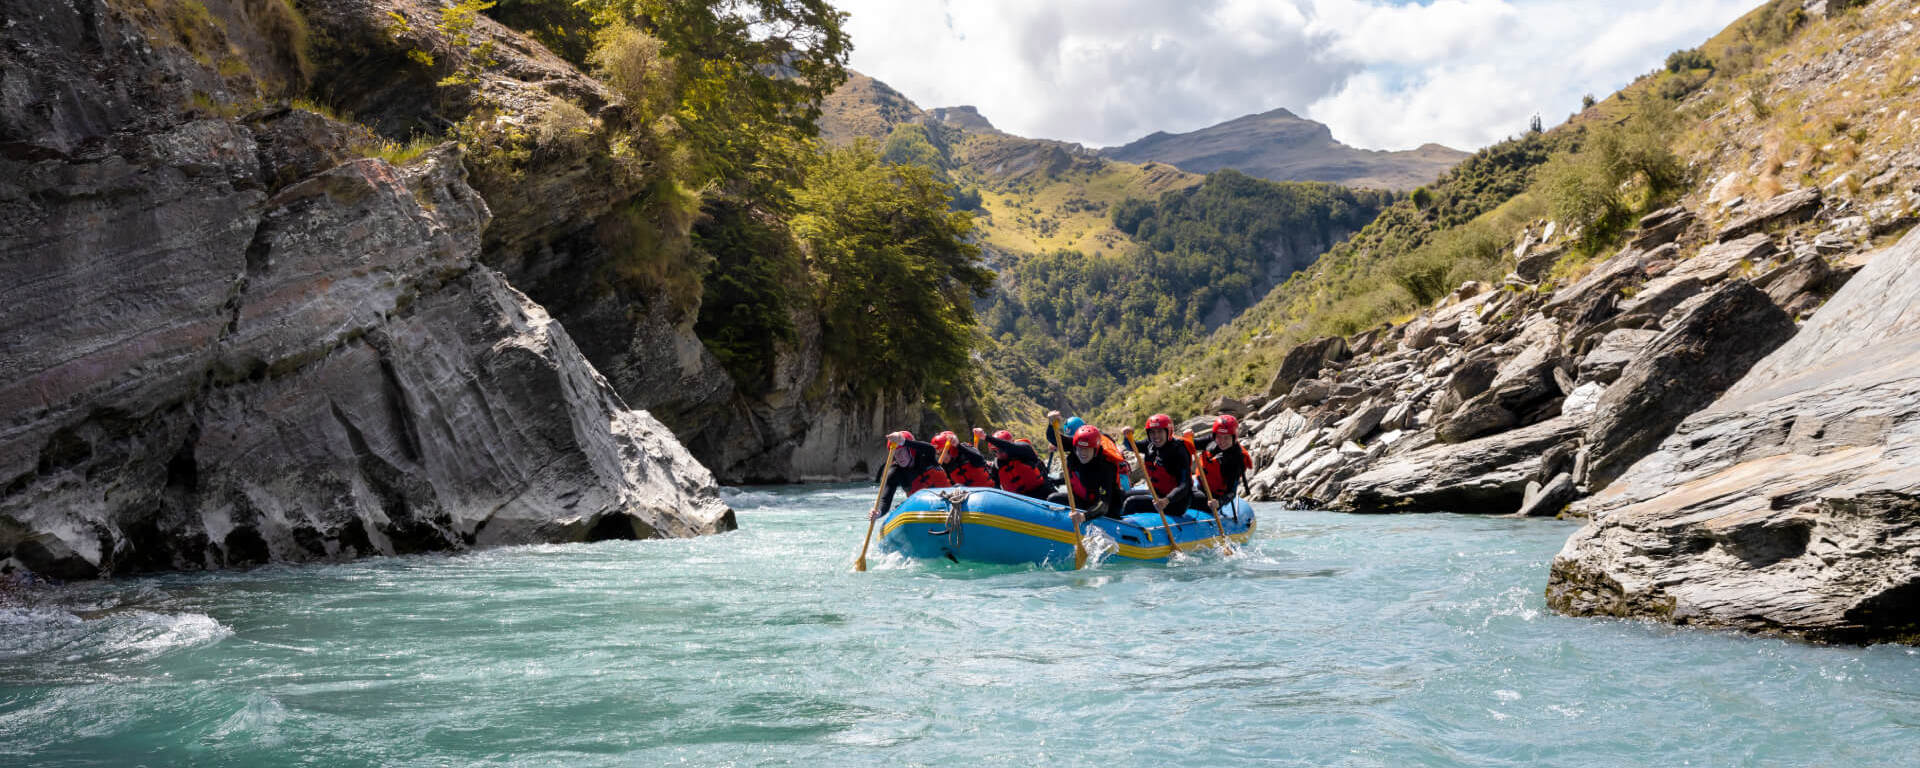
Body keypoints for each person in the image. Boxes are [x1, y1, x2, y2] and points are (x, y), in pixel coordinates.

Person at [1047, 423, 1127, 523]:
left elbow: (1104, 505)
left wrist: (1084, 516)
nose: (1082, 453)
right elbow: (1053, 438)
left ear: (1095, 449)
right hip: (1083, 500)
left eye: (1087, 449)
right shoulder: (1077, 444)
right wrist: (1051, 423)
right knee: (1053, 498)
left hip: (1104, 507)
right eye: (1080, 449)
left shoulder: (1106, 467)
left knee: (1108, 509)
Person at [869, 431, 952, 520]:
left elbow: (930, 449)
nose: (899, 456)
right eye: (895, 453)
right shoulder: (895, 472)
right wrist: (879, 512)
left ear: (910, 450)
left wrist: (903, 441)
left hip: (949, 499)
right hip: (922, 508)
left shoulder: (925, 456)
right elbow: (885, 500)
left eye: (901, 451)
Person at [1121, 414, 1193, 517]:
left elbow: (1184, 485)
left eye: (1160, 431)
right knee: (1122, 495)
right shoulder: (1150, 444)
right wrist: (1127, 436)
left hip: (1176, 502)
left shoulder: (1179, 451)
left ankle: (1120, 529)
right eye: (1152, 432)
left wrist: (1166, 500)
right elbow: (1131, 446)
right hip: (1157, 495)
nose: (1156, 436)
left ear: (1168, 432)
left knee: (1132, 502)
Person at [1190, 415, 1255, 515]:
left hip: (1216, 496)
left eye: (1226, 438)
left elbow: (1232, 492)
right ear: (1215, 435)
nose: (1222, 441)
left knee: (1199, 501)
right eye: (1219, 437)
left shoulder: (1236, 459)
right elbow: (1191, 444)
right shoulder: (1211, 439)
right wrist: (1187, 438)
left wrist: (1219, 503)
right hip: (1199, 485)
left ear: (1234, 437)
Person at [976, 428, 1055, 500]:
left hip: (1044, 493)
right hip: (1021, 501)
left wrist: (985, 437)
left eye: (1001, 450)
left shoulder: (1024, 450)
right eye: (995, 451)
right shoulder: (996, 466)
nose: (998, 454)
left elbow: (1009, 446)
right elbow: (995, 487)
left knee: (1054, 498)